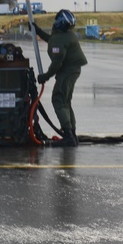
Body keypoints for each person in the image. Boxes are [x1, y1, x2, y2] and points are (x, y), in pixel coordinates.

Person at [33, 9, 87, 146]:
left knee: (58, 99)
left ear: (60, 22)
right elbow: (52, 40)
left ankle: (68, 136)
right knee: (66, 102)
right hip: (72, 71)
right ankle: (72, 134)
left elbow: (57, 63)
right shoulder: (66, 35)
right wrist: (37, 31)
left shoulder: (62, 39)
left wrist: (45, 76)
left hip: (67, 72)